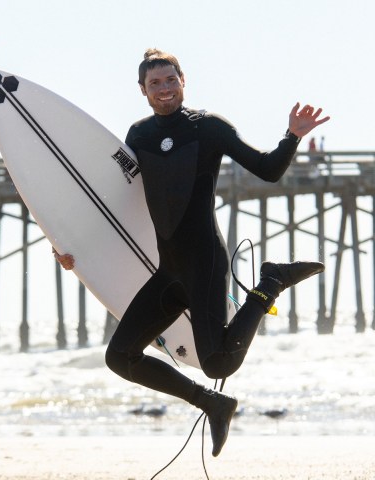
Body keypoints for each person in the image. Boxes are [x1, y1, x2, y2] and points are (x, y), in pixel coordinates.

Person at [55, 48, 329, 457]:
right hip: (168, 271)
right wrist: (72, 248)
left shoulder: (210, 128)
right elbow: (118, 204)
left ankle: (271, 282)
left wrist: (292, 136)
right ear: (142, 90)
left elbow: (267, 169)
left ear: (184, 81)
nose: (164, 89)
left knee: (219, 363)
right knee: (120, 357)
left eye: (170, 80)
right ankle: (212, 403)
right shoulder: (138, 136)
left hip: (205, 260)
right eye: (155, 83)